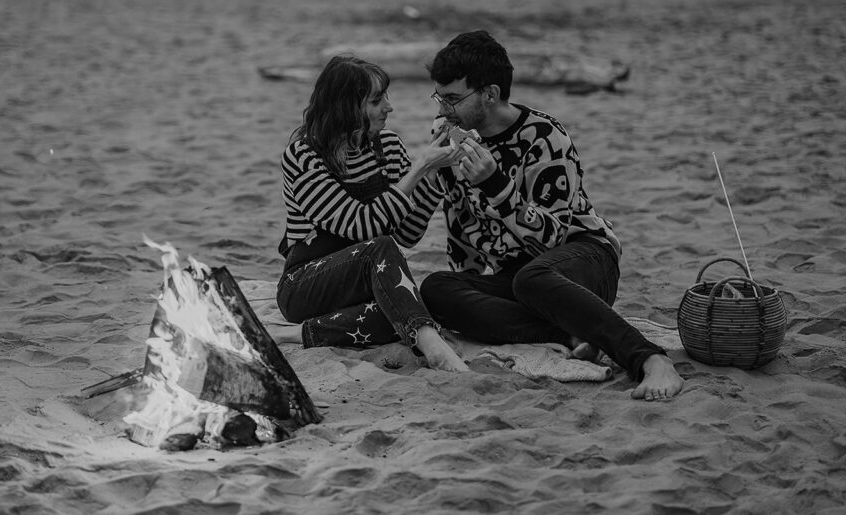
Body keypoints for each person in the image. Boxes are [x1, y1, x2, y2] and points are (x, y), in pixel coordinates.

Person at [418, 30, 684, 399]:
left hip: (583, 259)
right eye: (438, 97)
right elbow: (460, 225)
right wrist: (469, 294)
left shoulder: (543, 136)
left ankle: (651, 360)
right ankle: (572, 333)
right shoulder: (454, 135)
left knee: (532, 278)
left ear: (490, 94)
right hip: (519, 278)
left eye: (452, 98)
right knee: (437, 288)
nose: (442, 109)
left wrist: (495, 184)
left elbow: (553, 237)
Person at [269, 55, 469, 372]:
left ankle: (292, 335)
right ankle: (437, 352)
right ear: (346, 107)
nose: (388, 107)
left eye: (385, 97)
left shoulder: (387, 146)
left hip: (362, 284)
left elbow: (408, 233)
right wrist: (419, 167)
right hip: (306, 284)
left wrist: (432, 176)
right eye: (377, 100)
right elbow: (362, 226)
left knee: (409, 310)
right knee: (379, 249)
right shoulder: (304, 155)